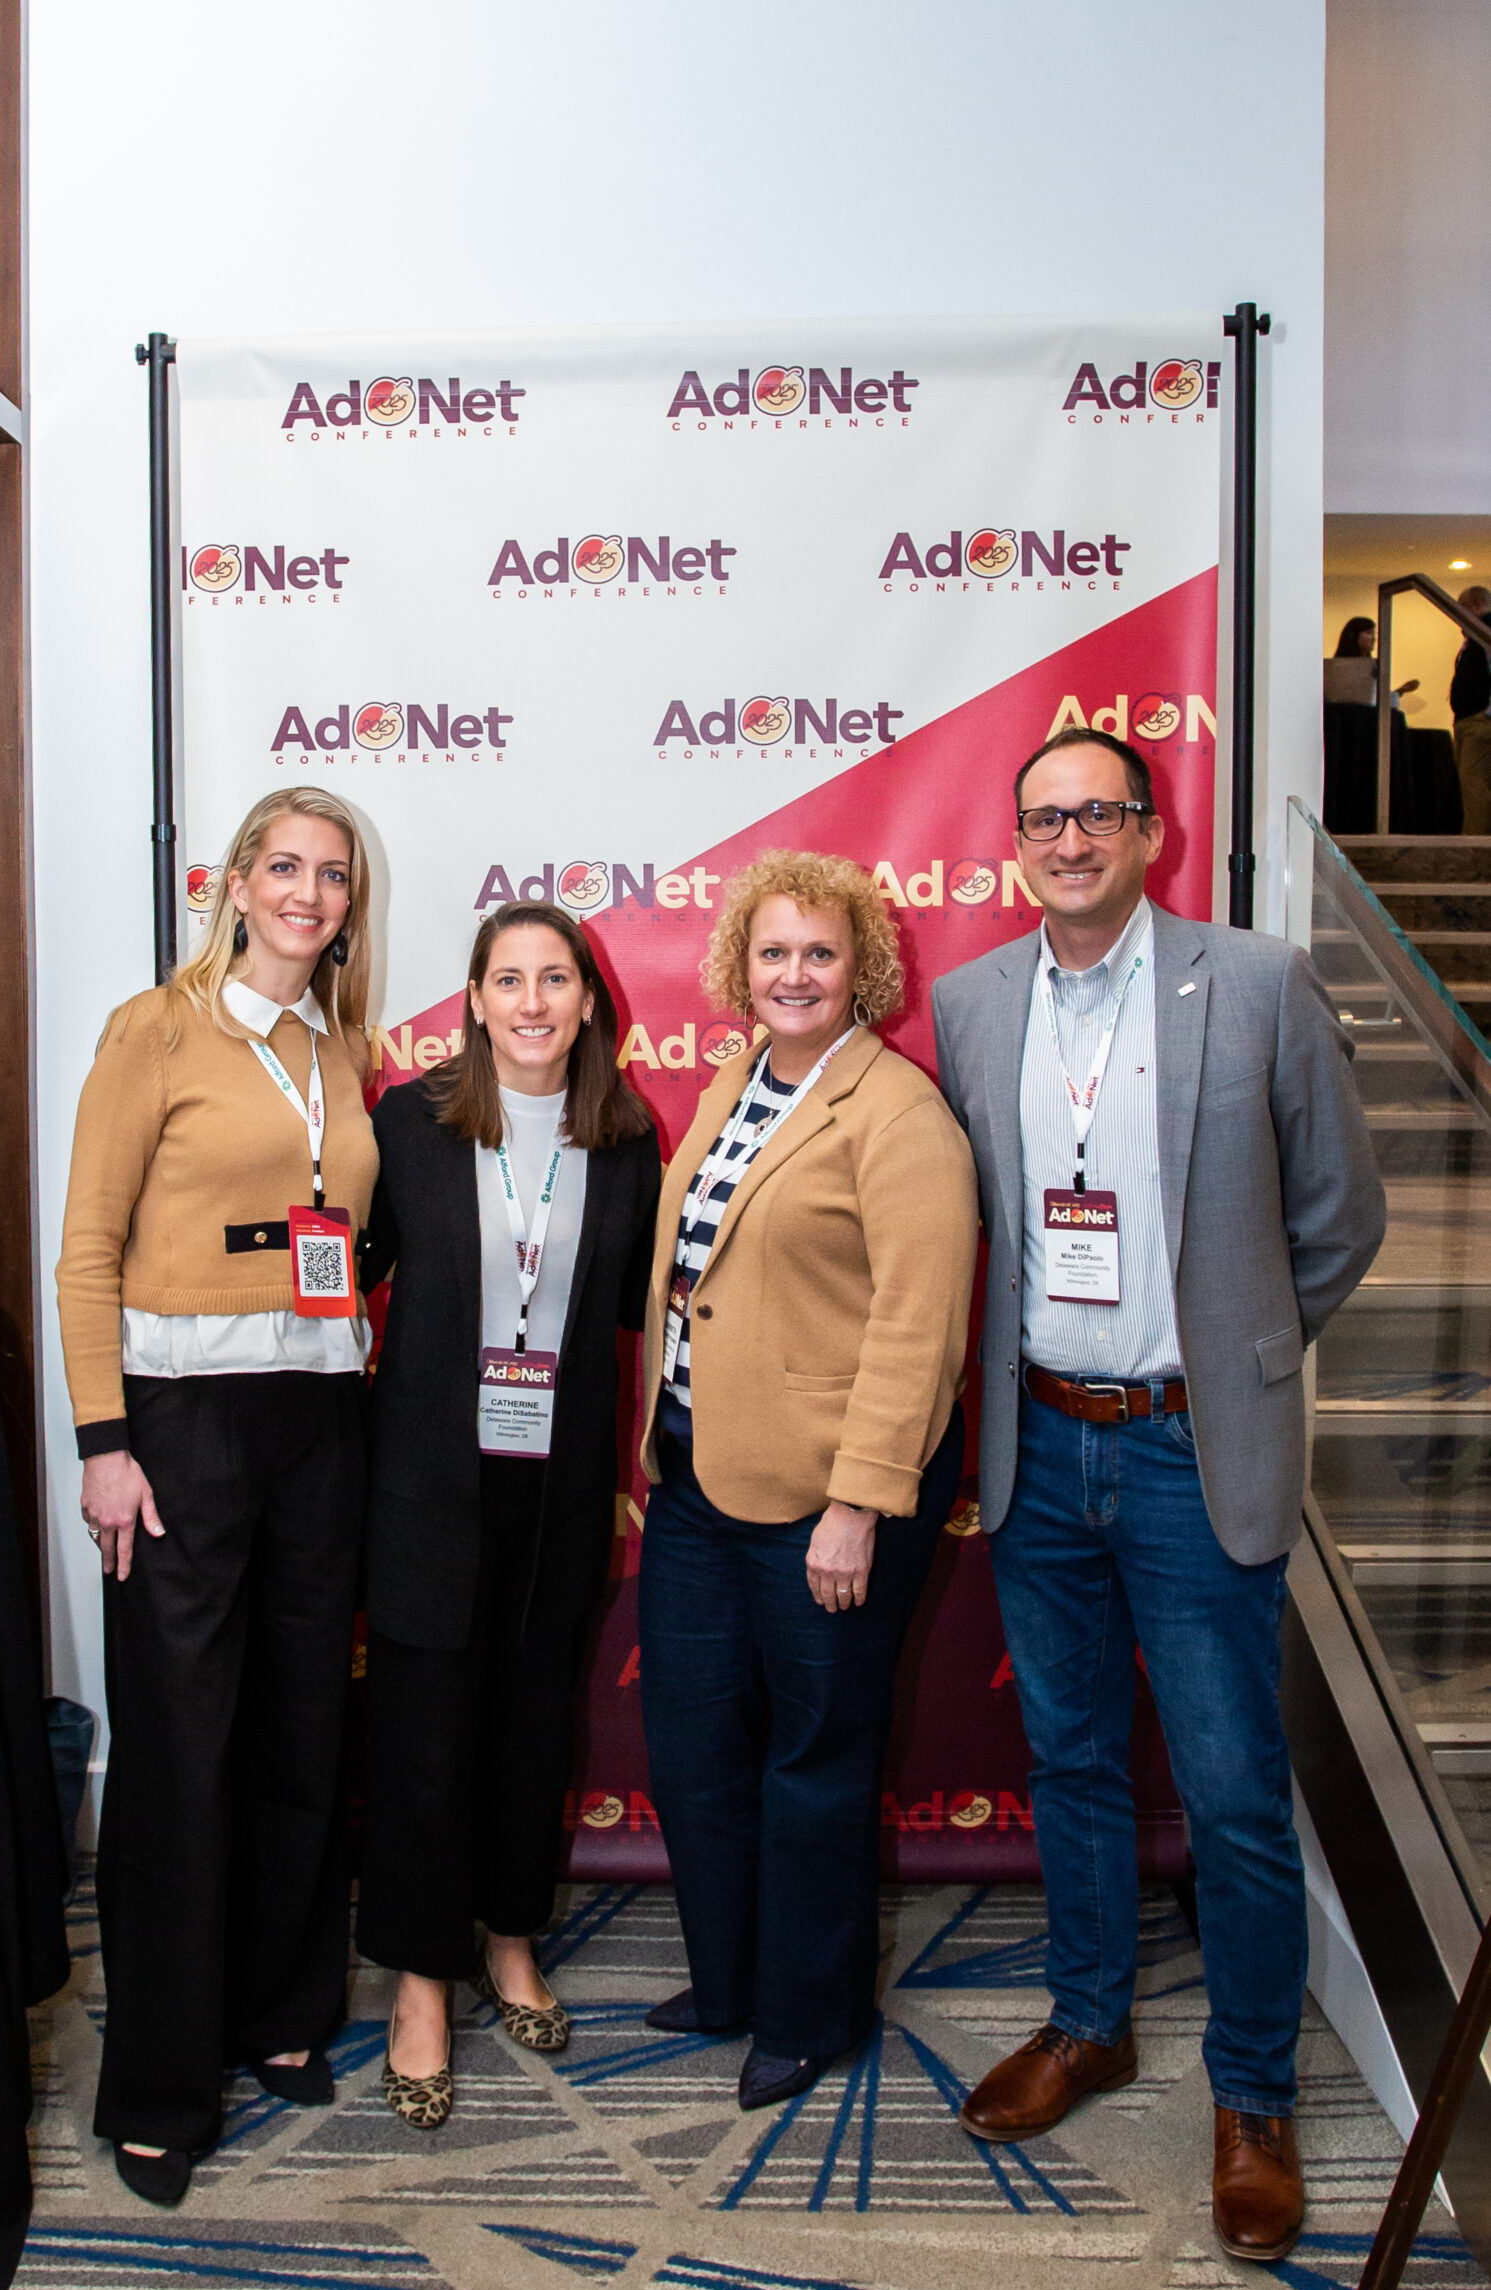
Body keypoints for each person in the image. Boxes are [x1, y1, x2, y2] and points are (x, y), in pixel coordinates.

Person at [931, 727, 1384, 2264]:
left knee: (1230, 1789)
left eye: (1096, 814)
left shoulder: (1250, 984)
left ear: (1148, 831)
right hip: (1039, 1444)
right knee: (1066, 1759)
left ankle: (1250, 2095)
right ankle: (1088, 2022)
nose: (1067, 840)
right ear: (1015, 846)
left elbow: (1338, 1213)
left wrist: (1244, 1353)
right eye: (1041, 820)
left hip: (1190, 1447)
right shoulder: (971, 1005)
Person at [57, 786, 377, 2206]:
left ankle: (280, 2011)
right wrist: (103, 1441)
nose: (307, 892)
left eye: (332, 874)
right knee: (180, 1750)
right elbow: (86, 1250)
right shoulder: (156, 1029)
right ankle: (159, 2083)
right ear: (236, 883)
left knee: (302, 1725)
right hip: (180, 1425)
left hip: (323, 1417)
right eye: (284, 866)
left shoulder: (342, 1046)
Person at [637, 852, 978, 2111]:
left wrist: (858, 1504)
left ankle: (808, 2012)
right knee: (695, 1748)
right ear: (741, 966)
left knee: (816, 1764)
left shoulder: (899, 1113)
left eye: (819, 953)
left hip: (825, 1501)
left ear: (861, 970)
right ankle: (729, 1978)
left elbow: (919, 1325)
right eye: (773, 952)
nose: (794, 974)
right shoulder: (737, 1081)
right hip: (697, 1477)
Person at [356, 902, 660, 2128]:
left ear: (589, 1002)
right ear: (474, 1001)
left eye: (555, 979)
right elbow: (348, 1272)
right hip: (428, 1472)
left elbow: (643, 1308)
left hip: (560, 1479)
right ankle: (420, 1980)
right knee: (424, 1732)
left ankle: (512, 1935)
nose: (532, 1002)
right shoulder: (411, 1124)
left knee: (534, 1721)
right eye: (508, 980)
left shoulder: (628, 1138)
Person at [1450, 585, 1491, 834]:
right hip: (1469, 719)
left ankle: (1476, 844)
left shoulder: (1485, 632)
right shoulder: (1474, 638)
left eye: (1462, 609)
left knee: (1475, 785)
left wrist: (1485, 713)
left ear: (1476, 605)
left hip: (1478, 721)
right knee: (1472, 784)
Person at [1323, 615, 1417, 704]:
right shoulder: (1336, 667)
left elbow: (1375, 699)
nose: (1373, 638)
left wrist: (1400, 691)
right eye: (1368, 633)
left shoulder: (1373, 666)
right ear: (1353, 635)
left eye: (1373, 634)